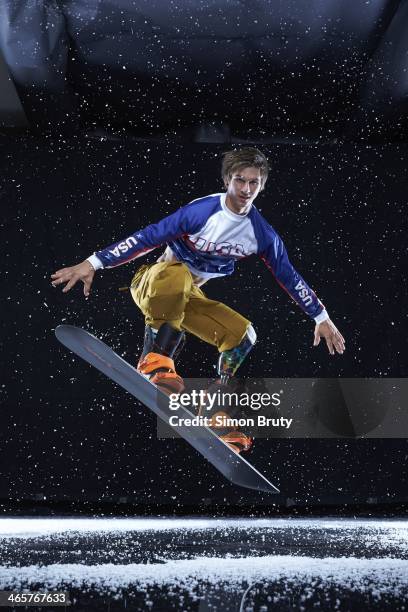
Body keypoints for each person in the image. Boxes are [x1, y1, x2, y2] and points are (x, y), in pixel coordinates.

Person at [51, 147, 345, 453]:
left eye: (253, 183)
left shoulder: (261, 234)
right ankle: (153, 361)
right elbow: (147, 237)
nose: (245, 189)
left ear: (262, 186)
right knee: (177, 275)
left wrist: (320, 317)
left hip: (184, 300)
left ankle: (215, 412)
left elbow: (288, 276)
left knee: (243, 334)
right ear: (227, 180)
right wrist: (94, 262)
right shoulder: (202, 212)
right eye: (239, 181)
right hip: (152, 284)